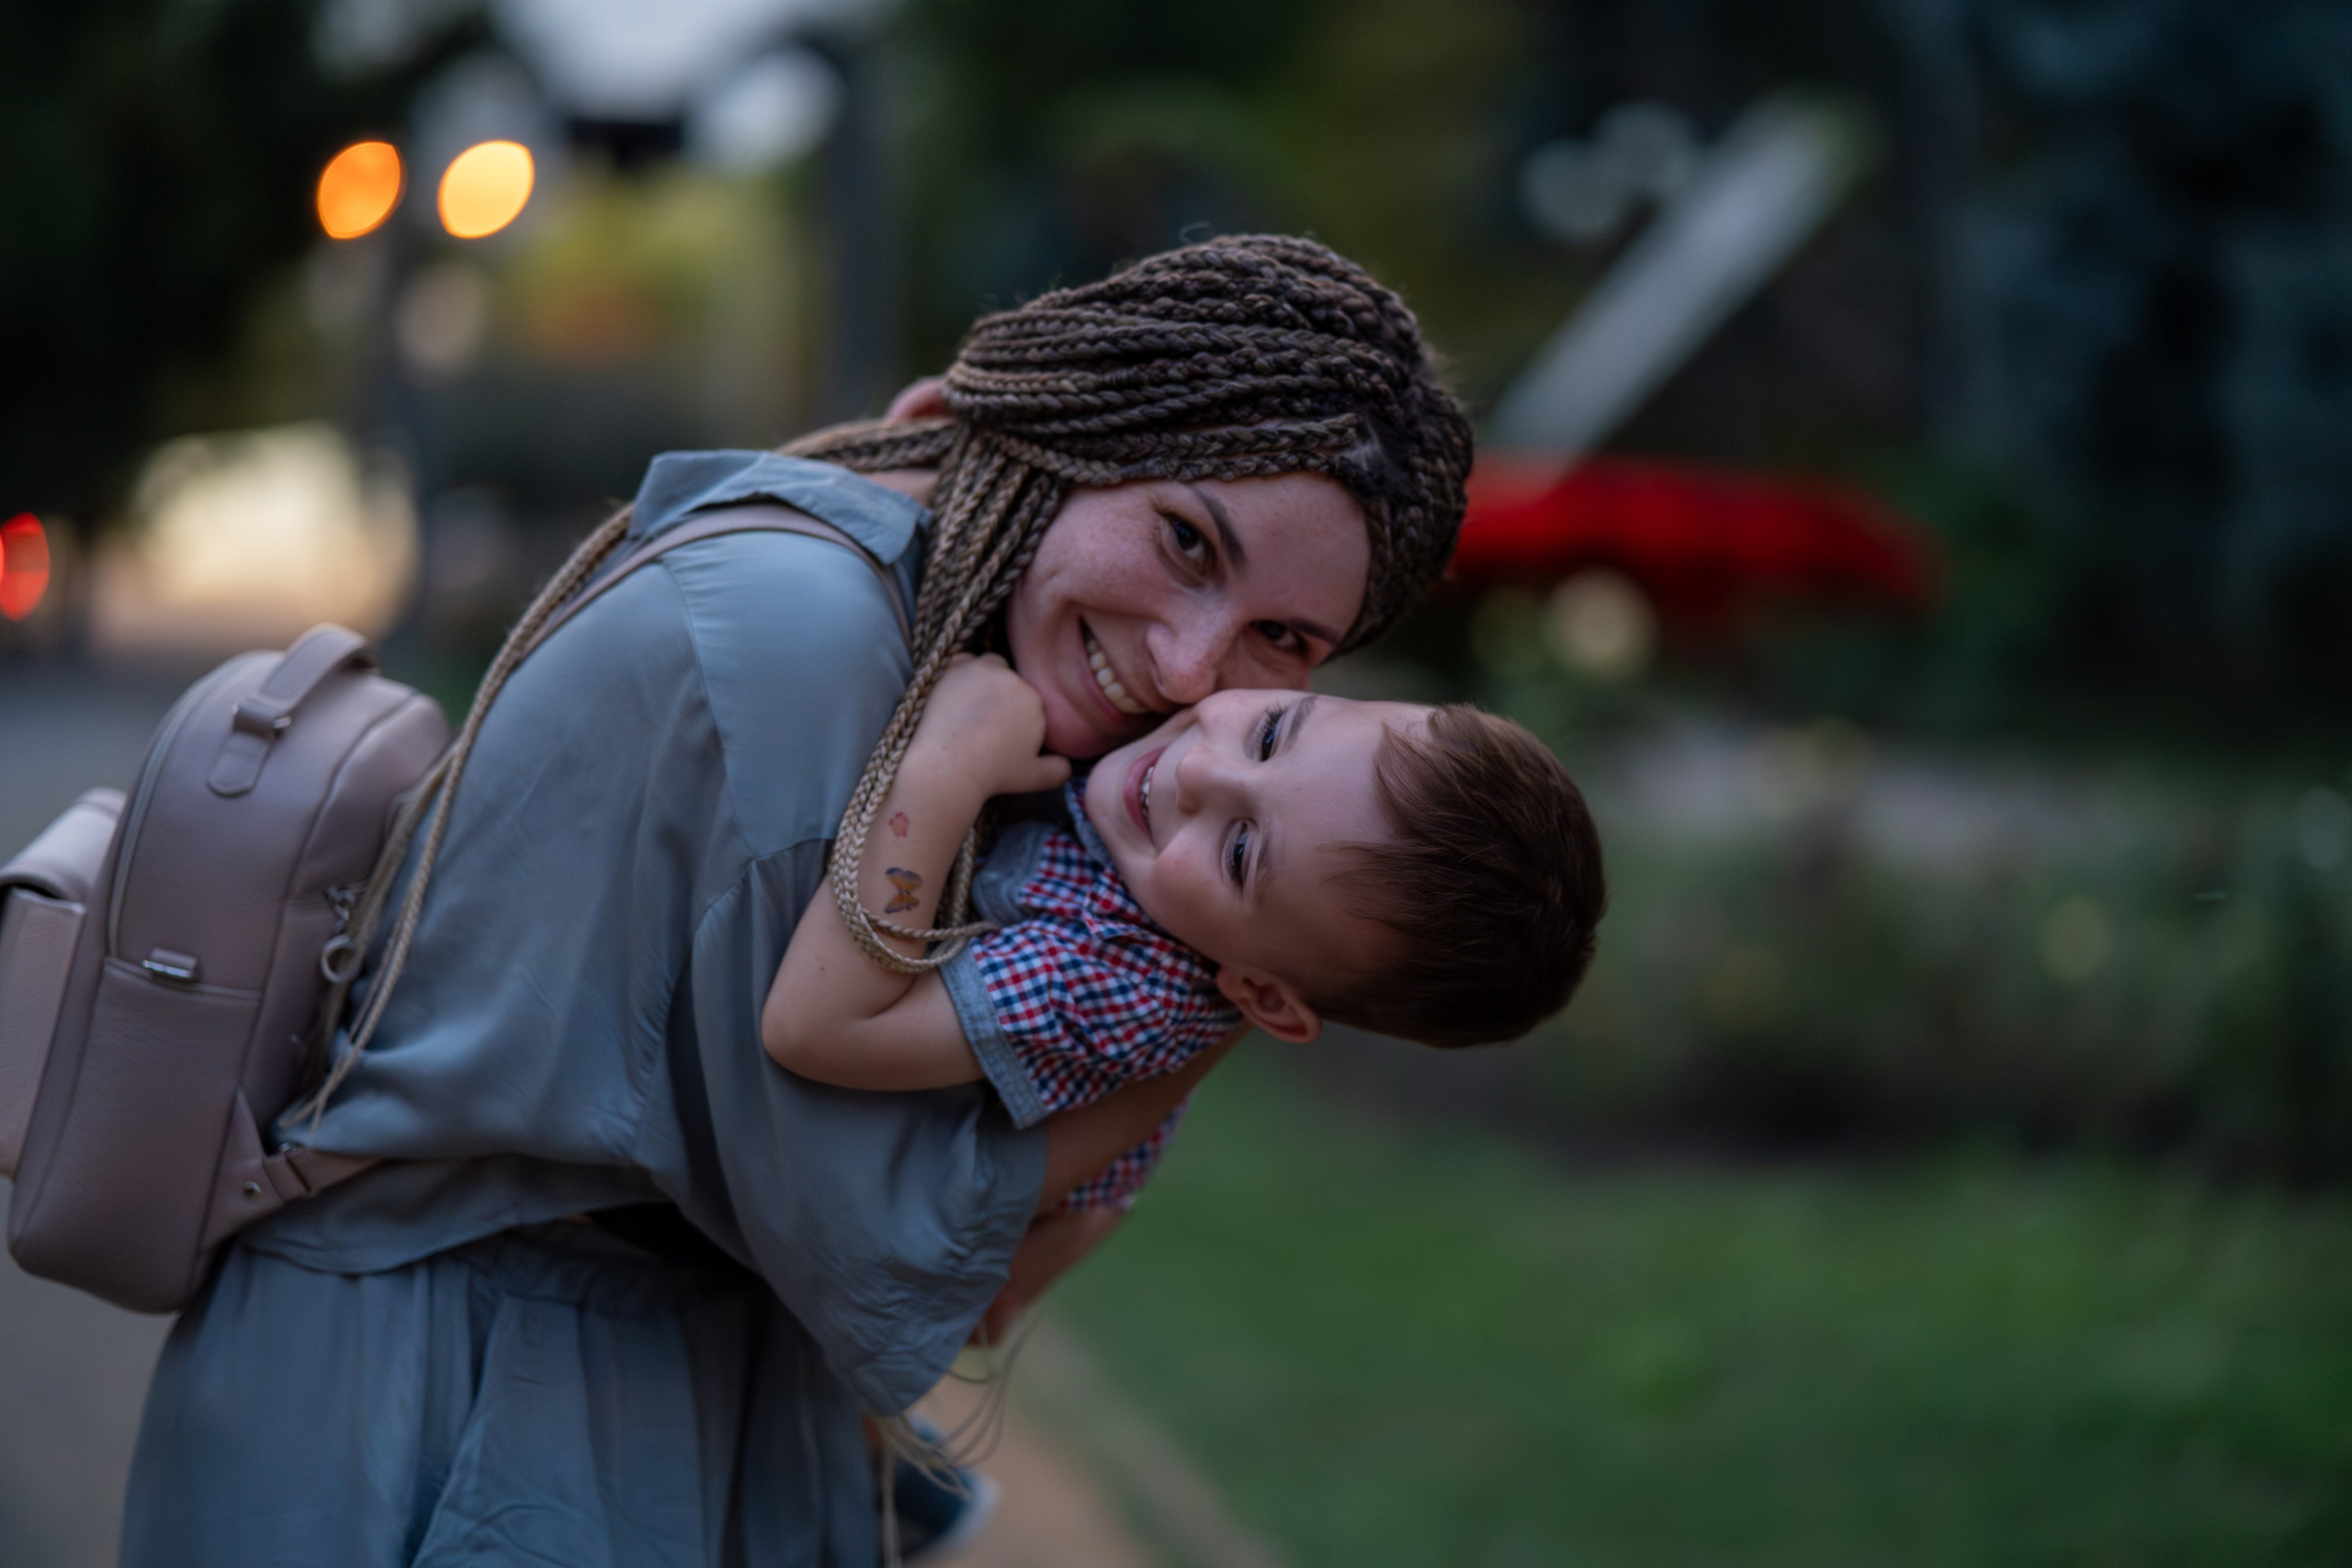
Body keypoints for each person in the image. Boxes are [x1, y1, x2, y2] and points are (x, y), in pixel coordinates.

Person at [119, 234, 1476, 1566]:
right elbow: (876, 1236)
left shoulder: (909, 600)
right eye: (1186, 541)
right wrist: (1190, 1041)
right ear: (1085, 429)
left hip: (616, 1377)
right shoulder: (810, 640)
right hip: (460, 1407)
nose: (1194, 665)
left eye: (1283, 640)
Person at [763, 657, 1607, 1199]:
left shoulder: (1120, 982)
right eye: (1273, 731)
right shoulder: (1181, 731)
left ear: (1262, 997)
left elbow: (819, 1027)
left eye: (1241, 849)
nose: (1200, 765)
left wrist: (943, 773)